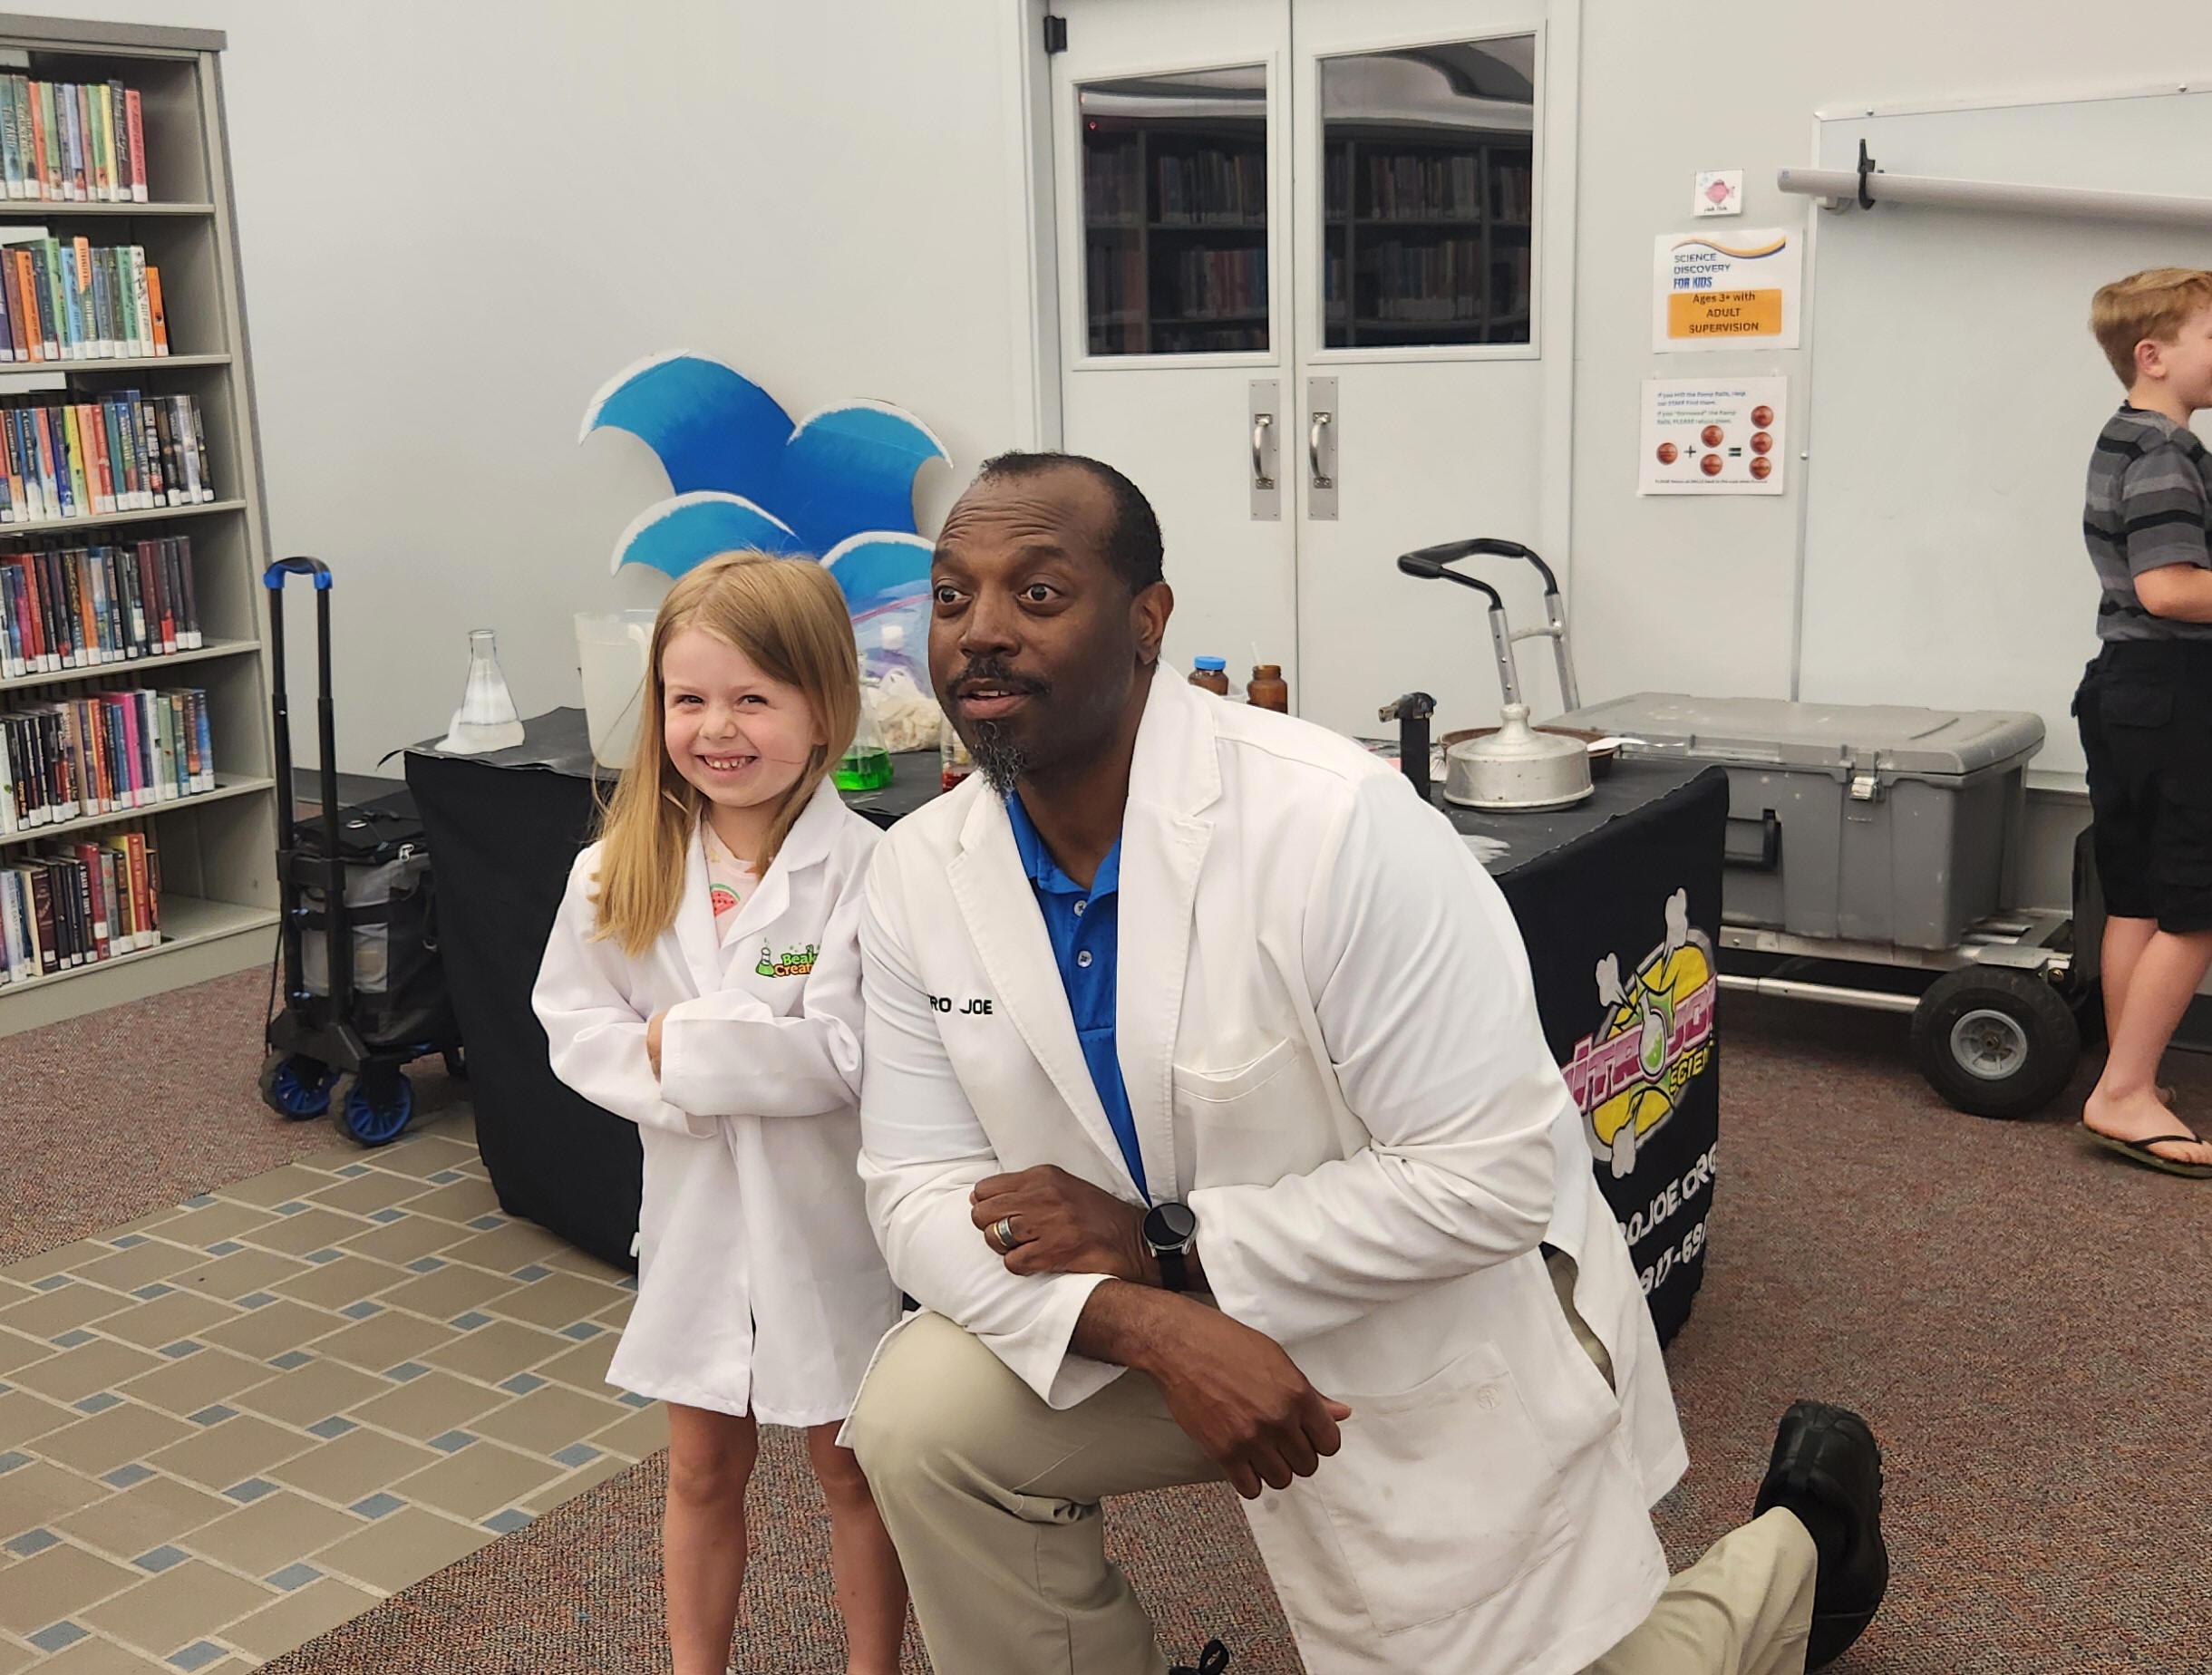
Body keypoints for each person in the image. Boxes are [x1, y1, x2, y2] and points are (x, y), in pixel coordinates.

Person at [841, 453, 1889, 1675]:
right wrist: (1149, 1320)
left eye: (1037, 594)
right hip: (1162, 1304)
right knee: (922, 1416)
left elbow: (1490, 1180)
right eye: (952, 596)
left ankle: (1803, 1548)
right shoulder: (919, 869)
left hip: (1432, 1302)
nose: (978, 632)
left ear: (1145, 622)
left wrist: (1170, 1248)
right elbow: (913, 1191)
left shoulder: (1333, 822)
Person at [533, 551, 907, 1675]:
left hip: (825, 1224)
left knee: (851, 1466)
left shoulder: (868, 870)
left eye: (753, 698)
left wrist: (679, 1043)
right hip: (694, 1219)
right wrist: (710, 1064)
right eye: (688, 699)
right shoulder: (614, 871)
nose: (717, 728)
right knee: (700, 1469)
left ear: (822, 707)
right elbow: (574, 1026)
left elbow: (845, 1056)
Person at [2074, 268, 2212, 1178]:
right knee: (2198, 905)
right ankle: (2122, 1094)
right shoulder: (2165, 449)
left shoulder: (2124, 436)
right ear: (2153, 355)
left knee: (2137, 899)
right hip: (2175, 692)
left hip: (2125, 690)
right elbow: (2169, 589)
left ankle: (2130, 1078)